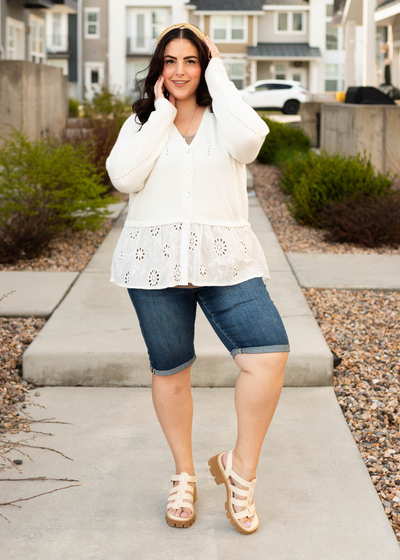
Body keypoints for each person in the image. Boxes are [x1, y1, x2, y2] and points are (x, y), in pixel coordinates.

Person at [106, 23, 289, 535]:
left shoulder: (225, 118)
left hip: (225, 261)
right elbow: (124, 178)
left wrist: (222, 77)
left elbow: (252, 142)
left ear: (204, 66)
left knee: (269, 355)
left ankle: (239, 471)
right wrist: (162, 116)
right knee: (171, 371)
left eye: (192, 60)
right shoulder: (141, 121)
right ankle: (184, 475)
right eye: (171, 61)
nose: (181, 71)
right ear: (158, 68)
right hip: (155, 264)